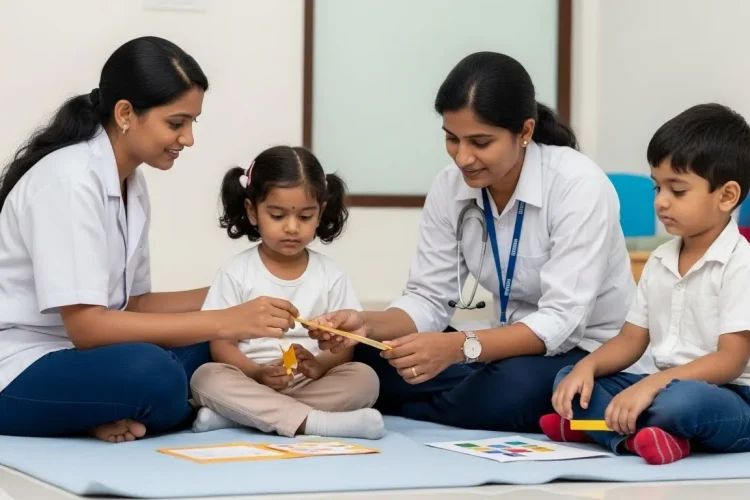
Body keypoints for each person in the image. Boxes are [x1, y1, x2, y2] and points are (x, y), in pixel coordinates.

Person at [306, 51, 653, 432]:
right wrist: (365, 325)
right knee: (373, 358)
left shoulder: (578, 185)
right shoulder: (449, 186)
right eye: (452, 139)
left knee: (514, 389)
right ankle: (462, 401)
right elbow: (427, 298)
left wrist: (458, 349)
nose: (463, 158)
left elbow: (561, 324)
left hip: (584, 355)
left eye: (480, 142)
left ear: (524, 132)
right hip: (494, 350)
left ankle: (423, 404)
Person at [0, 37, 298, 443]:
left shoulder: (131, 183)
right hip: (22, 365)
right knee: (153, 372)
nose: (188, 138)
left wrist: (236, 292)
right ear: (125, 113)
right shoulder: (68, 182)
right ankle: (171, 404)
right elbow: (87, 327)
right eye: (177, 123)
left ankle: (112, 412)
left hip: (83, 357)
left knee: (210, 348)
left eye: (192, 122)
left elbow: (134, 304)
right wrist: (225, 318)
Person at [541, 103, 750, 465]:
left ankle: (601, 427)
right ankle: (638, 439)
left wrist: (651, 385)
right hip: (662, 385)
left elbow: (730, 361)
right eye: (657, 187)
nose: (661, 202)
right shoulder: (660, 259)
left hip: (728, 396)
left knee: (682, 404)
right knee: (570, 377)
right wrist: (585, 369)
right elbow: (630, 341)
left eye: (678, 190)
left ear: (727, 196)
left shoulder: (741, 263)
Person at [189, 146, 384, 440]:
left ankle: (240, 416)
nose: (292, 228)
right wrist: (255, 373)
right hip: (249, 379)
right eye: (278, 215)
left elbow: (345, 347)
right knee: (205, 377)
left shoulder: (330, 274)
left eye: (305, 216)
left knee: (365, 379)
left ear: (320, 214)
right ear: (252, 212)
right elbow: (221, 346)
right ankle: (316, 423)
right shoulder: (236, 271)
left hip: (309, 382)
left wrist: (319, 365)